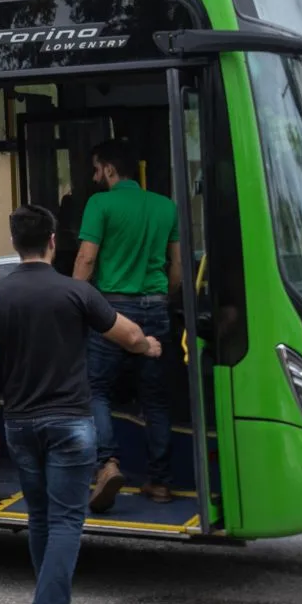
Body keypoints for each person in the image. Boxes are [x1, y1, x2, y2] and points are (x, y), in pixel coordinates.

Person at [0, 204, 159, 604]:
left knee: (40, 518)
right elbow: (128, 335)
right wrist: (148, 346)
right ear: (53, 242)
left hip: (21, 423)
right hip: (70, 423)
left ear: (15, 244)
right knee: (68, 519)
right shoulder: (76, 292)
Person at [72, 139, 182, 510]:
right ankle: (161, 482)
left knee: (95, 389)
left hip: (112, 311)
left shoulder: (100, 204)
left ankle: (107, 464)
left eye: (96, 169)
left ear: (109, 168)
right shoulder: (166, 206)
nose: (94, 177)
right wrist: (164, 298)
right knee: (155, 400)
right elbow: (177, 268)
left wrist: (74, 301)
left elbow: (86, 260)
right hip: (156, 308)